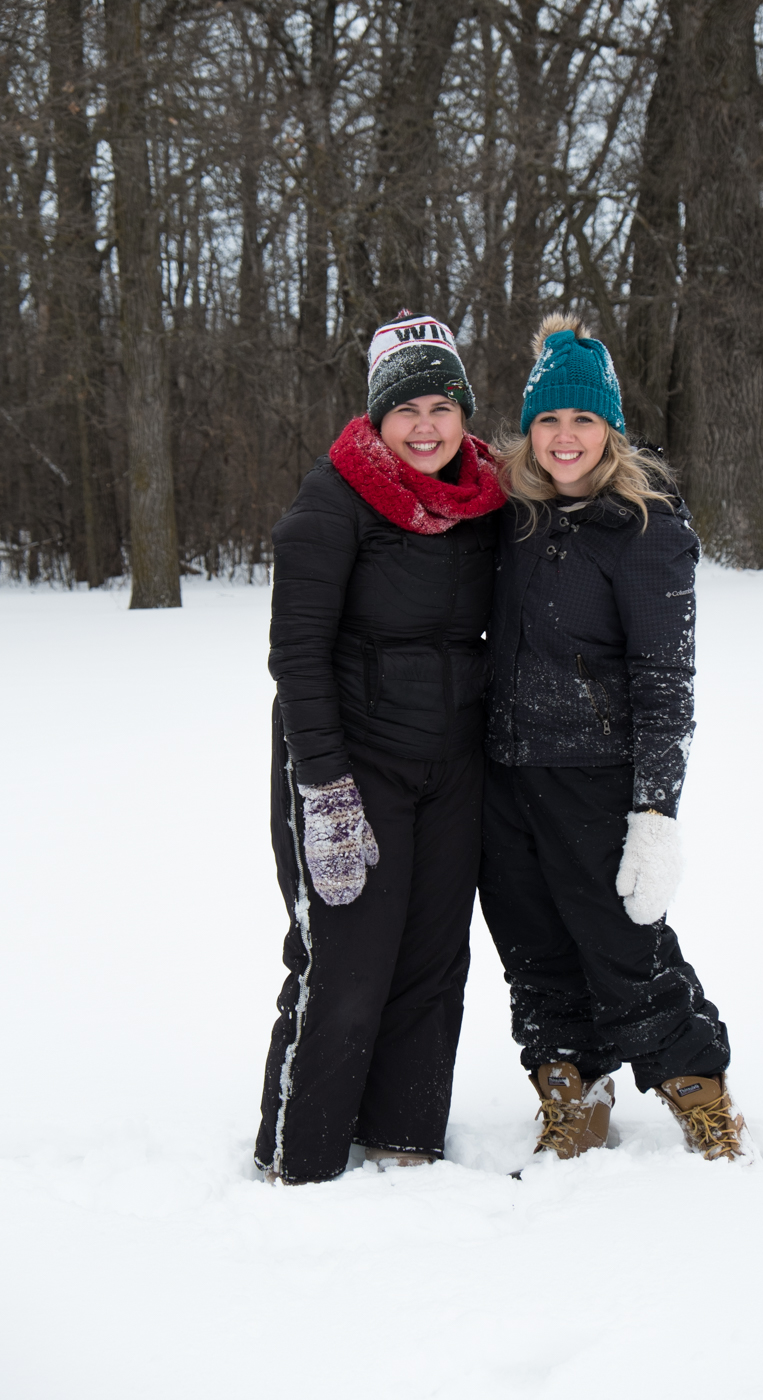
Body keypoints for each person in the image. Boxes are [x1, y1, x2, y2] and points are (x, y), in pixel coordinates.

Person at [479, 313, 746, 1163]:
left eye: (582, 420)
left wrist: (655, 810)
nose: (564, 438)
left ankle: (698, 1094)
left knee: (624, 948)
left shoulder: (646, 528)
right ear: (529, 428)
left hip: (594, 777)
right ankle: (572, 1089)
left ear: (610, 429)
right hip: (500, 773)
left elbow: (666, 682)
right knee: (533, 949)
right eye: (549, 420)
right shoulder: (509, 518)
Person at [255, 311, 504, 1185]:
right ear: (377, 416)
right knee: (346, 964)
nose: (427, 426)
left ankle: (404, 1139)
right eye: (408, 409)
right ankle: (303, 1157)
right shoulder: (331, 502)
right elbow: (296, 658)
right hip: (350, 761)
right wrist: (322, 790)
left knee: (434, 961)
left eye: (444, 405)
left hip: (452, 765)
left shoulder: (485, 500)